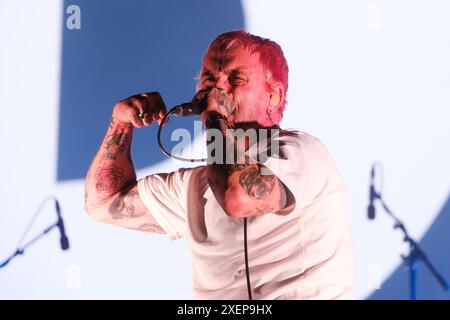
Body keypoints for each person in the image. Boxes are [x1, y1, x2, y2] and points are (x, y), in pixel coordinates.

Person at [84, 30, 354, 299]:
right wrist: (119, 124)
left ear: (274, 96)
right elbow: (103, 202)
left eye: (235, 78)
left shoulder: (301, 153)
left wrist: (214, 116)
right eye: (208, 79)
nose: (217, 88)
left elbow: (237, 197)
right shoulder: (195, 186)